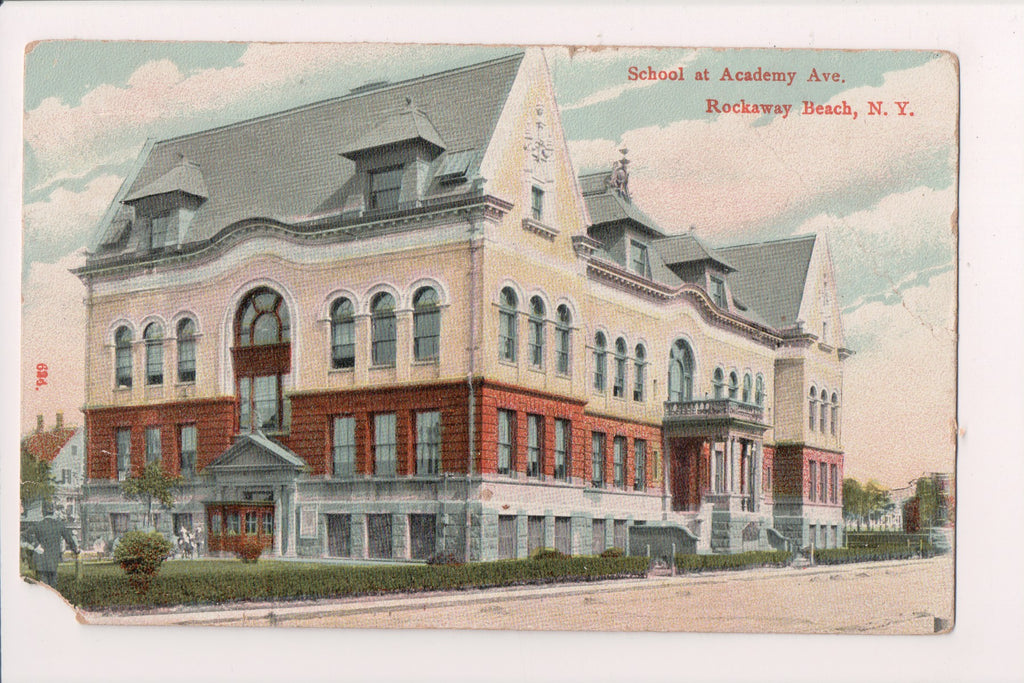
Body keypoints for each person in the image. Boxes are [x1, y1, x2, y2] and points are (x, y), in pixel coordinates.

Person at [25, 503, 79, 588]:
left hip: (40, 561)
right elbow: (69, 540)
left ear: (43, 512)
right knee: (52, 588)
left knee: (41, 588)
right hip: (53, 561)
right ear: (53, 512)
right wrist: (76, 550)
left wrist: (36, 545)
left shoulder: (38, 525)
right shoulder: (59, 525)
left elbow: (25, 535)